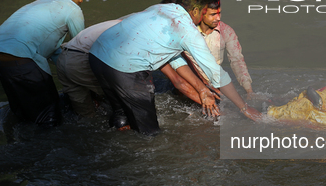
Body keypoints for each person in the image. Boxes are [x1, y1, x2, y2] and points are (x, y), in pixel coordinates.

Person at [89, 0, 260, 135]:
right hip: (123, 68)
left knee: (122, 115)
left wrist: (201, 89)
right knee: (150, 132)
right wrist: (244, 108)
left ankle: (117, 137)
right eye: (203, 12)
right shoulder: (186, 29)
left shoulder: (160, 8)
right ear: (195, 11)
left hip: (97, 56)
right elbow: (216, 73)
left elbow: (174, 58)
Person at [57, 17, 213, 119]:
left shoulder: (131, 22)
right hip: (82, 62)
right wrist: (210, 105)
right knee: (127, 103)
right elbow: (179, 81)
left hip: (64, 59)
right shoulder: (152, 37)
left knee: (87, 118)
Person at [0, 0, 85, 126]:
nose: (80, 0)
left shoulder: (37, 5)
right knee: (50, 116)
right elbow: (79, 49)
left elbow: (55, 52)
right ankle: (47, 147)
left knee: (23, 113)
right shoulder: (71, 8)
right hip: (23, 59)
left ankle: (18, 143)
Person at [184, 0, 254, 96]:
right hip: (188, 80)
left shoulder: (226, 32)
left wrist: (249, 90)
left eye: (219, 13)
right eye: (213, 14)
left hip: (213, 82)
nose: (218, 18)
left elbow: (237, 60)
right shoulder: (186, 31)